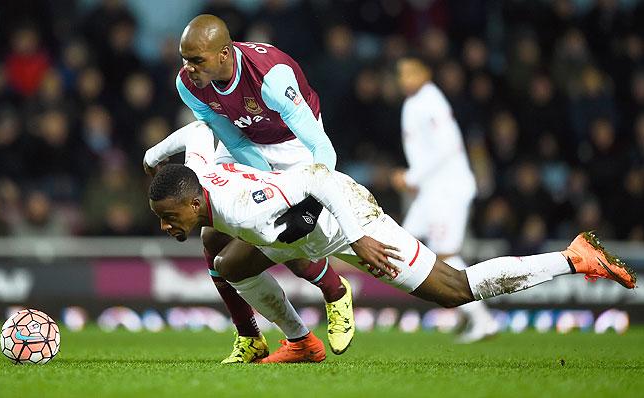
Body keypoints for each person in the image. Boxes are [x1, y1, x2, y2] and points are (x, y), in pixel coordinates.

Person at [146, 129, 636, 362]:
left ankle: (572, 257)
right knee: (227, 261)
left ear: (192, 201)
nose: (167, 227)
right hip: (299, 231)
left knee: (454, 289)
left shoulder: (243, 206)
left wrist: (359, 236)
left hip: (345, 221)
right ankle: (301, 343)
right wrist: (152, 157)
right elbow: (200, 130)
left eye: (170, 218)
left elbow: (321, 177)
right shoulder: (196, 175)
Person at [143, 14, 353, 363]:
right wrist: (263, 180)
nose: (188, 68)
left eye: (197, 60)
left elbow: (323, 149)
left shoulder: (269, 76)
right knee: (212, 236)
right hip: (247, 145)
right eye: (185, 59)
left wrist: (311, 205)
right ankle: (250, 337)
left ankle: (335, 291)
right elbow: (232, 138)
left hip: (295, 143)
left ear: (224, 54)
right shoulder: (188, 84)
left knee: (283, 228)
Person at [391, 56, 498, 343]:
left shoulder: (430, 101)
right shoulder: (416, 102)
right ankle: (462, 312)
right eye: (401, 73)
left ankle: (482, 319)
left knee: (446, 252)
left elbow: (447, 147)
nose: (405, 78)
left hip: (447, 189)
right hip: (432, 190)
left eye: (411, 71)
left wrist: (412, 177)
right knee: (407, 240)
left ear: (426, 72)